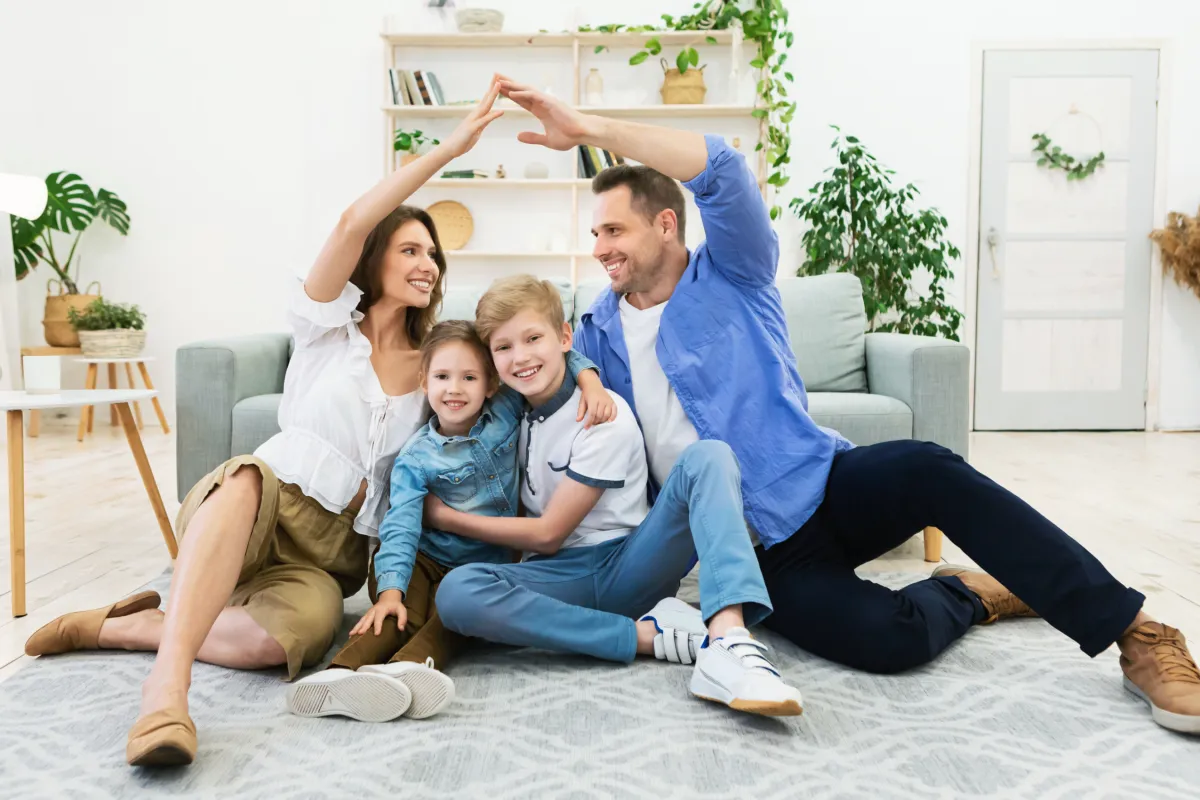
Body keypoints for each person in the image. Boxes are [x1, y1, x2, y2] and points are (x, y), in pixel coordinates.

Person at [491, 76, 1200, 735]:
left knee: (930, 468)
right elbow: (546, 362)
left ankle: (1137, 633)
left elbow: (722, 168)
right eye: (595, 234)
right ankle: (968, 593)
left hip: (823, 483)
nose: (600, 248)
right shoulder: (597, 328)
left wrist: (587, 127)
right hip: (758, 553)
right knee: (886, 640)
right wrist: (578, 373)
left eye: (614, 230)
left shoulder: (734, 269)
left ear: (667, 225)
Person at [21, 77, 514, 766]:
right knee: (250, 475)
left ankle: (125, 628)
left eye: (433, 254)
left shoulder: (439, 367)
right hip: (263, 502)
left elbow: (522, 366)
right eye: (410, 249)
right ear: (373, 258)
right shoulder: (324, 328)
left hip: (335, 551)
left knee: (280, 644)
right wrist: (451, 149)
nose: (427, 263)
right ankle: (165, 696)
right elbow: (350, 222)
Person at [430, 275, 804, 717]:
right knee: (457, 593)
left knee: (709, 456)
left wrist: (445, 518)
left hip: (627, 566)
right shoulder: (511, 412)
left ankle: (727, 638)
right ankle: (644, 637)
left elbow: (549, 534)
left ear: (564, 337)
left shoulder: (602, 414)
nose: (521, 357)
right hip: (558, 577)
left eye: (533, 339)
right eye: (504, 347)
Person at [285, 320, 614, 721]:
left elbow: (556, 361)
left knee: (451, 617)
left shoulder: (505, 410)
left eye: (469, 377)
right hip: (420, 560)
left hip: (479, 570)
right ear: (424, 382)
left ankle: (409, 669)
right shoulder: (416, 458)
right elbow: (401, 527)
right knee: (401, 614)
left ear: (491, 384)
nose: (454, 389)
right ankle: (339, 676)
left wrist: (590, 382)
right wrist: (390, 592)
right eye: (442, 377)